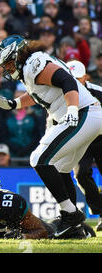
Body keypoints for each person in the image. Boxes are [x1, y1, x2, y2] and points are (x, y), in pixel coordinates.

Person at [0, 35, 102, 238]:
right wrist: (13, 104)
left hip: (84, 113)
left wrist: (73, 109)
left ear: (17, 55)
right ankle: (73, 226)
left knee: (39, 159)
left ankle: (71, 215)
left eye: (7, 63)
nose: (6, 69)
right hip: (86, 114)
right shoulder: (30, 68)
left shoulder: (34, 63)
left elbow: (67, 81)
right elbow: (39, 94)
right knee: (60, 167)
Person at [66, 60, 102, 231]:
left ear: (85, 77)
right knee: (81, 175)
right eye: (70, 79)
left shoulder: (99, 92)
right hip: (81, 140)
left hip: (101, 138)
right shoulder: (62, 95)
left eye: (77, 79)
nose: (74, 83)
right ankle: (101, 211)